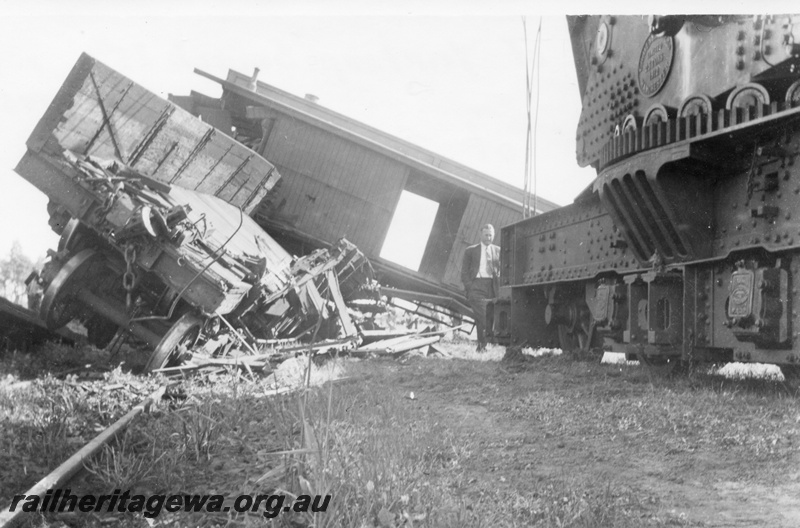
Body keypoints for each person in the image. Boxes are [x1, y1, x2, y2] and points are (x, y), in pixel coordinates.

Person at [461, 224, 500, 351]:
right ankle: (486, 345)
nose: (489, 237)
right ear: (481, 235)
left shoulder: (498, 250)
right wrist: (470, 287)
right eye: (486, 235)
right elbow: (464, 272)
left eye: (491, 235)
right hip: (476, 286)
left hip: (492, 287)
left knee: (485, 318)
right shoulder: (471, 250)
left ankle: (481, 347)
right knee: (483, 316)